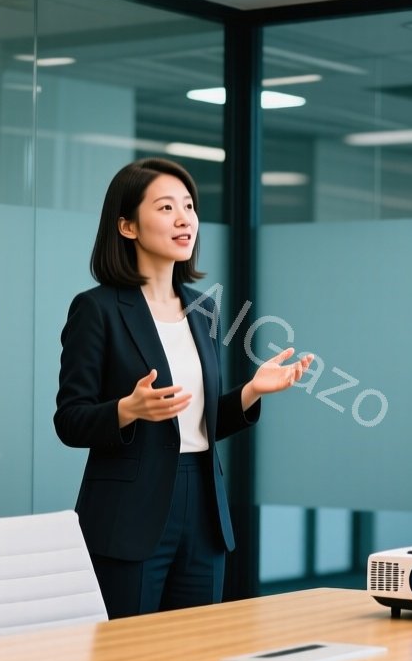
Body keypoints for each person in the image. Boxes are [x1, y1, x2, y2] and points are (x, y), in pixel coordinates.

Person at [55, 158, 311, 618]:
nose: (184, 219)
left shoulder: (202, 309)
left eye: (189, 207)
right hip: (130, 514)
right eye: (166, 207)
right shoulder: (96, 310)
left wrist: (250, 392)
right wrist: (127, 410)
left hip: (203, 510)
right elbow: (70, 420)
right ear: (127, 226)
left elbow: (200, 421)